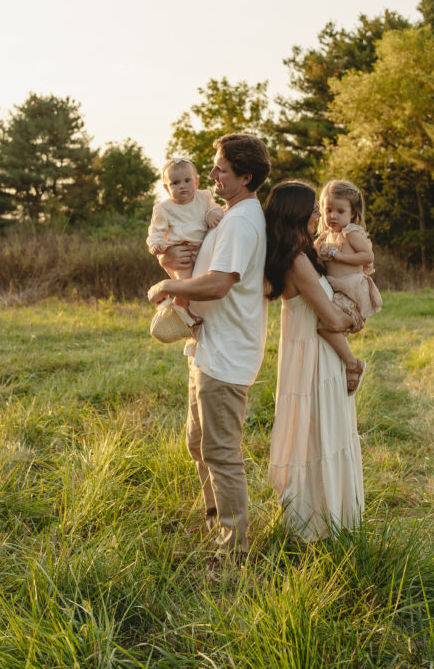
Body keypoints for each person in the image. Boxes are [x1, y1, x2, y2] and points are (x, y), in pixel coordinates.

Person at [148, 133, 270, 563]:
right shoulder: (229, 216)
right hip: (207, 347)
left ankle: (233, 552)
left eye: (220, 168)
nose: (212, 174)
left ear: (245, 176)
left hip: (227, 354)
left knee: (220, 451)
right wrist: (171, 263)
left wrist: (167, 285)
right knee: (198, 445)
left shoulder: (239, 221)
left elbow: (220, 284)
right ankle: (216, 525)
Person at [264, 181, 365, 542]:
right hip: (311, 355)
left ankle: (334, 518)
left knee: (324, 432)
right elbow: (333, 320)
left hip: (317, 351)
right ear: (295, 214)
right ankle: (317, 524)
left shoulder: (304, 253)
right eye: (311, 210)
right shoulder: (295, 261)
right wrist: (352, 318)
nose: (317, 215)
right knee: (317, 433)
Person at [146, 157, 224, 335]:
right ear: (166, 188)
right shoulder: (164, 208)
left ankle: (180, 312)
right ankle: (183, 313)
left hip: (201, 251)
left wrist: (211, 213)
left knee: (196, 286)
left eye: (187, 180)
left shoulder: (203, 198)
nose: (182, 186)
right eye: (175, 183)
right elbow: (156, 230)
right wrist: (156, 244)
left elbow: (217, 209)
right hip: (181, 252)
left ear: (196, 181)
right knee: (184, 286)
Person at [315, 179, 382, 342]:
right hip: (335, 289)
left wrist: (341, 256)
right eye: (328, 210)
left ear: (352, 213)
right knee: (325, 323)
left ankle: (350, 360)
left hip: (350, 289)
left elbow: (368, 256)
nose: (333, 216)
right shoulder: (326, 237)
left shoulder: (351, 234)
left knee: (325, 325)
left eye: (340, 211)